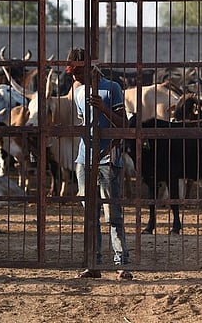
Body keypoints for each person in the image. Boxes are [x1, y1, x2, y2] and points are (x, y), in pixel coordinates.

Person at [67, 47, 131, 279]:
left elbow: (124, 124)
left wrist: (103, 109)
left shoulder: (111, 88)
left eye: (78, 72)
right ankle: (93, 263)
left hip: (108, 158)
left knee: (113, 213)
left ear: (89, 68)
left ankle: (122, 263)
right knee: (90, 214)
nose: (75, 77)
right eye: (73, 73)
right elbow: (83, 122)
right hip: (85, 158)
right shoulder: (77, 91)